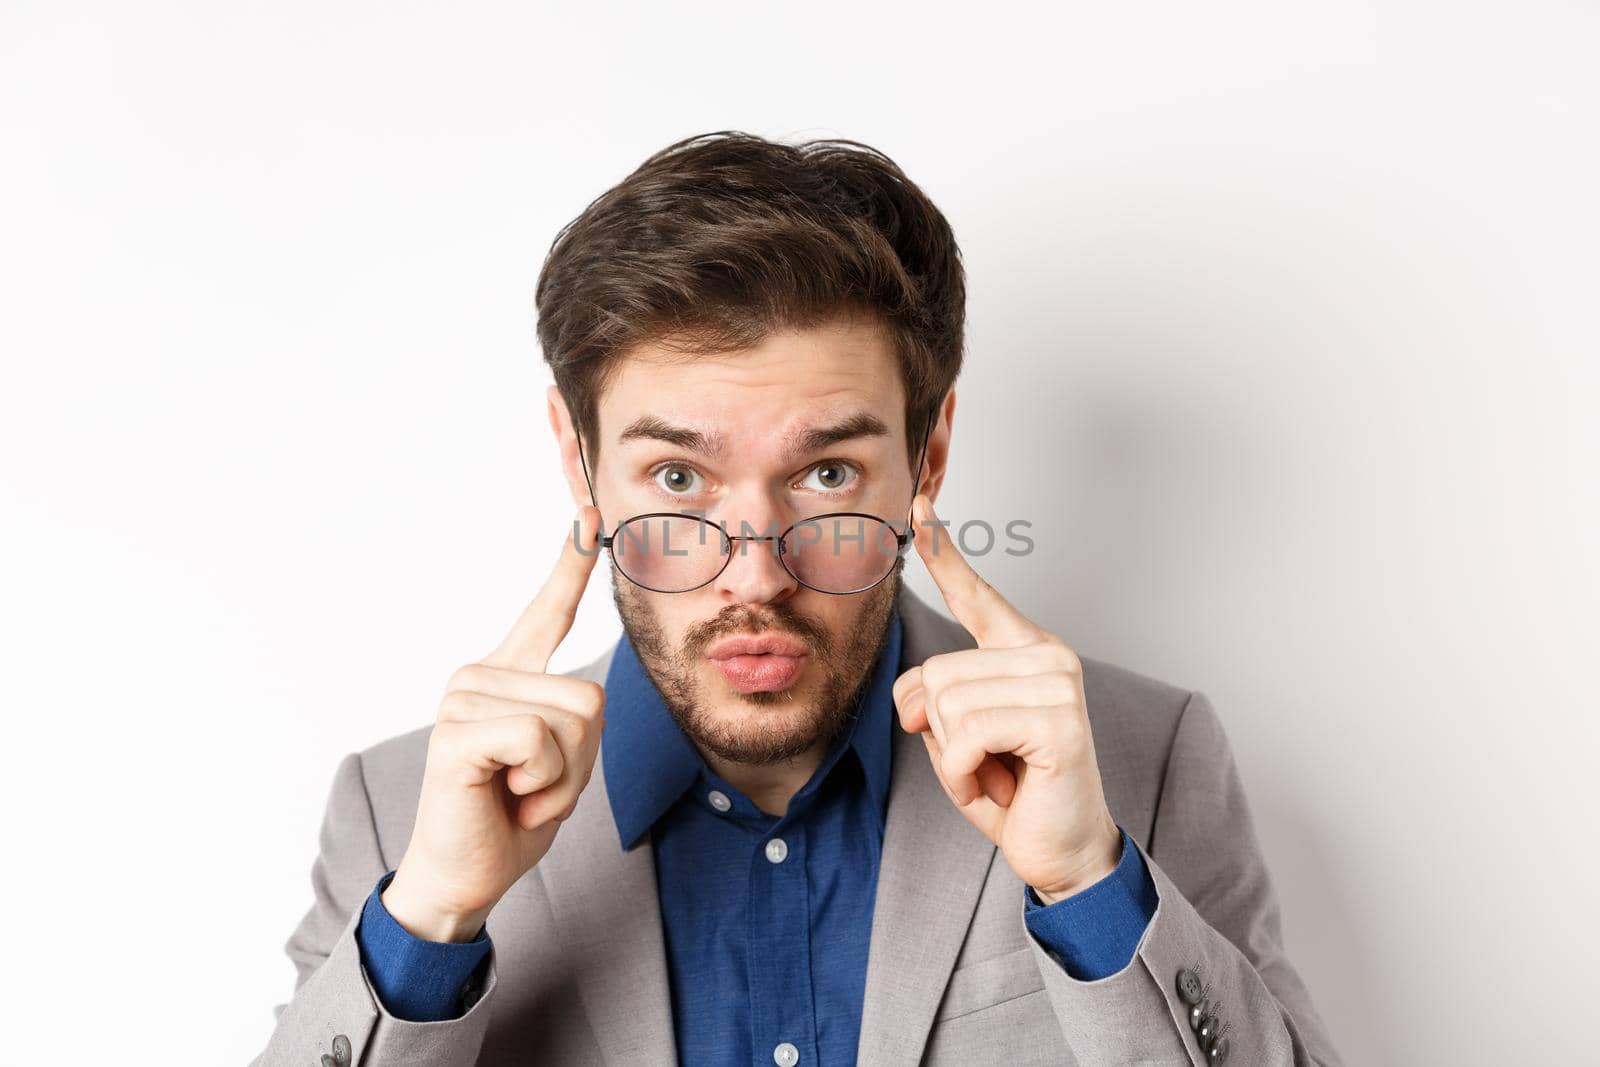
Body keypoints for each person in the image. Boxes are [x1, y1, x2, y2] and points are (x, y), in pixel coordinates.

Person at [251, 131, 1340, 1066]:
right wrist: (429, 922)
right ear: (581, 469)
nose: (757, 571)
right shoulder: (402, 813)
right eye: (678, 478)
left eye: (825, 474)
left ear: (928, 455)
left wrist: (1090, 883)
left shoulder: (1139, 757)